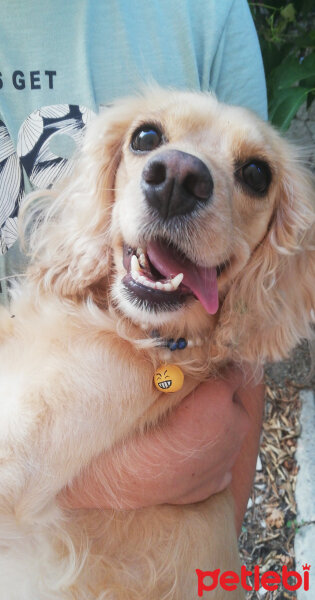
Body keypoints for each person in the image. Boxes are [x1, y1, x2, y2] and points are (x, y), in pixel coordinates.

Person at [0, 0, 267, 533]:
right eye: (147, 141)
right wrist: (121, 476)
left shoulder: (208, 14)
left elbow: (241, 383)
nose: (176, 172)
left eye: (253, 174)